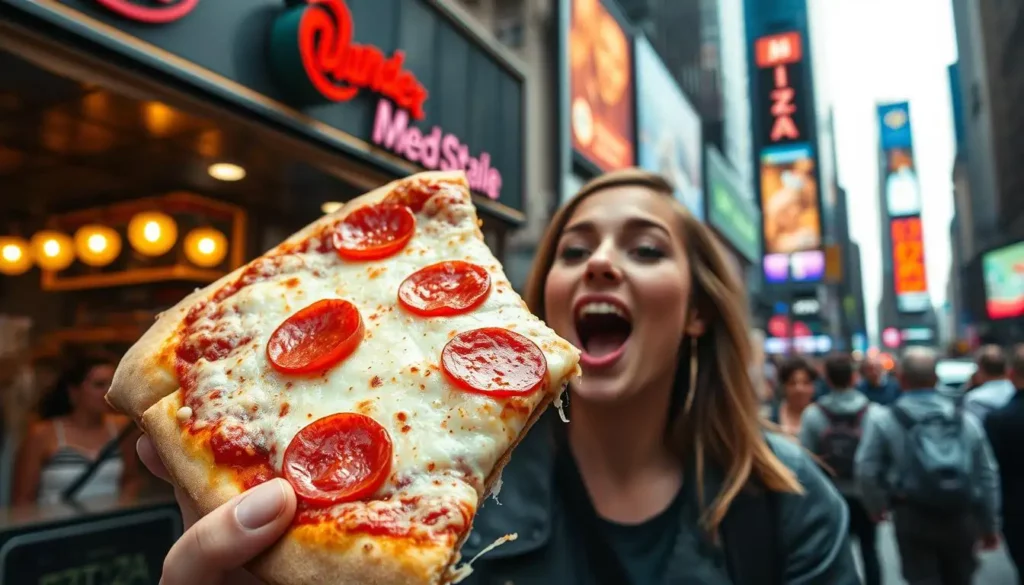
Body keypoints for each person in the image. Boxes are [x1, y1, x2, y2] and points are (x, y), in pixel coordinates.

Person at [136, 169, 857, 584]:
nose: (601, 262)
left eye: (643, 249)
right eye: (574, 249)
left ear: (698, 311)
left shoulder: (790, 506)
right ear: (539, 307)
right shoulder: (435, 503)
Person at [855, 347, 1000, 585]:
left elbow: (865, 469)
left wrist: (876, 505)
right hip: (960, 515)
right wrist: (989, 523)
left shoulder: (884, 419)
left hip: (912, 514)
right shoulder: (964, 419)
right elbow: (986, 474)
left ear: (901, 379)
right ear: (936, 380)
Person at [12, 353, 142, 505]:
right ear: (74, 392)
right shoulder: (43, 434)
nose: (109, 393)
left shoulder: (121, 429)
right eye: (99, 385)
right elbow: (23, 499)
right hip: (59, 526)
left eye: (112, 385)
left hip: (109, 525)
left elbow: (130, 479)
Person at [799, 352, 883, 585]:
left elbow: (807, 460)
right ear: (855, 377)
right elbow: (879, 458)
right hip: (864, 494)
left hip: (830, 494)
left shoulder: (814, 414)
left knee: (837, 554)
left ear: (827, 379)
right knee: (870, 551)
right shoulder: (873, 412)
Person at [983, 343, 1024, 574]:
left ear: (1010, 375)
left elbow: (990, 473)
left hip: (1017, 511)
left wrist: (988, 521)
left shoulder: (998, 420)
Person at [963, 344, 1015, 422]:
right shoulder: (1016, 393)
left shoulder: (974, 400)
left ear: (980, 369)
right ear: (1006, 369)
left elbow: (974, 430)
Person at [772, 356, 818, 436]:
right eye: (792, 383)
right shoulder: (773, 417)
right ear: (784, 387)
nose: (799, 389)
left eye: (806, 383)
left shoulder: (822, 417)